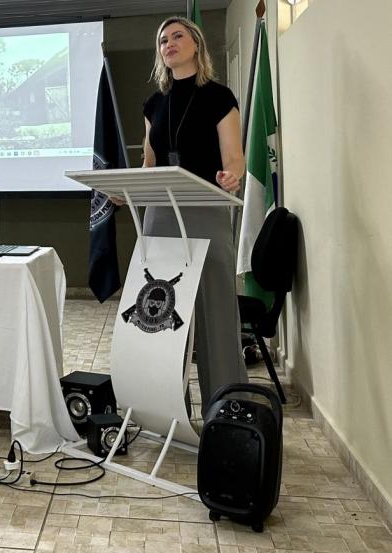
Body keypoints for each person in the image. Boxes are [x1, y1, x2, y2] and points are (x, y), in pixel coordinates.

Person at [141, 16, 246, 409]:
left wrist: (231, 177)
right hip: (160, 215)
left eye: (177, 36)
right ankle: (165, 407)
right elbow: (149, 166)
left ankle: (226, 407)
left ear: (196, 45)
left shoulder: (220, 97)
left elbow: (235, 158)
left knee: (215, 313)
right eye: (163, 39)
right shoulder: (153, 104)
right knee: (160, 311)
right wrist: (125, 192)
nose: (169, 43)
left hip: (206, 209)